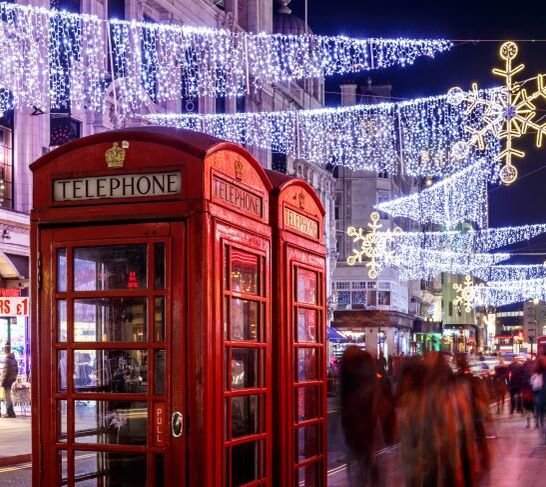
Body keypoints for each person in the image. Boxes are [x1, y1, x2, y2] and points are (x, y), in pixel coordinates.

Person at [339, 346, 381, 486]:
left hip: (356, 433)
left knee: (361, 470)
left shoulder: (349, 384)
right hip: (363, 433)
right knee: (367, 469)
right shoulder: (369, 382)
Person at [1, 345, 18, 418]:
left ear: (5, 350)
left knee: (7, 396)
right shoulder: (13, 359)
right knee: (8, 396)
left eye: (4, 349)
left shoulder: (7, 359)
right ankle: (11, 412)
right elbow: (17, 370)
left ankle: (10, 412)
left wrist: (2, 382)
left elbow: (5, 372)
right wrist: (14, 378)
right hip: (11, 380)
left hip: (7, 380)